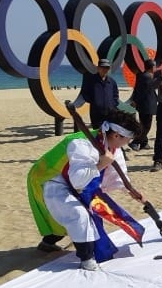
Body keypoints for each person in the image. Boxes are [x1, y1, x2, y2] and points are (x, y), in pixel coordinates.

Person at [30, 110, 143, 270]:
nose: (128, 143)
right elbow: (77, 179)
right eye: (128, 139)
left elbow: (119, 176)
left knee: (77, 213)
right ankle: (86, 258)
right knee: (78, 214)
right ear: (117, 135)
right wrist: (101, 164)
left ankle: (47, 243)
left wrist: (131, 192)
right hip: (52, 178)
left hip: (77, 181)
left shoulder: (112, 148)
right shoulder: (82, 144)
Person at [73, 59, 119, 129]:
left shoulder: (112, 82)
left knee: (109, 135)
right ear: (98, 68)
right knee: (98, 135)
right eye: (103, 67)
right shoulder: (91, 81)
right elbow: (85, 93)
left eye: (107, 67)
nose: (105, 69)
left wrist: (113, 105)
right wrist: (94, 102)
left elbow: (115, 96)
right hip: (96, 114)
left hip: (110, 114)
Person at [128, 59, 157, 151]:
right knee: (146, 126)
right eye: (154, 66)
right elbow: (151, 87)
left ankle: (144, 143)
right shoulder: (147, 77)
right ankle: (135, 142)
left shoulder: (142, 75)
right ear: (151, 67)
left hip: (143, 104)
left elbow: (137, 89)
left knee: (143, 124)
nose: (156, 68)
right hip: (146, 105)